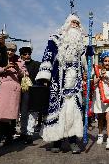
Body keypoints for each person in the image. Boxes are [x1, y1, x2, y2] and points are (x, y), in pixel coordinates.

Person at [35, 13, 88, 154]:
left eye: (78, 23)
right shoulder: (56, 39)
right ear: (67, 23)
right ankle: (56, 141)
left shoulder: (80, 43)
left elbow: (85, 65)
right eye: (73, 22)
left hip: (75, 85)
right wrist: (45, 77)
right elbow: (48, 56)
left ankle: (72, 142)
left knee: (73, 112)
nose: (75, 25)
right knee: (57, 112)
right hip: (58, 84)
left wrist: (89, 54)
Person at [0, 42, 28, 149]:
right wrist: (5, 68)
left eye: (12, 50)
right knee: (2, 115)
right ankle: (9, 137)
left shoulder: (20, 61)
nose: (10, 52)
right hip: (0, 88)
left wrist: (18, 69)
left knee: (6, 116)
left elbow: (25, 74)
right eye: (8, 50)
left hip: (13, 90)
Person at [92, 51, 109, 150]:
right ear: (102, 61)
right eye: (105, 61)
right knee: (100, 118)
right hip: (99, 97)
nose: (107, 63)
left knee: (108, 116)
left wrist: (107, 79)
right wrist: (99, 77)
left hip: (108, 97)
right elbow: (93, 83)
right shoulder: (97, 71)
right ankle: (100, 134)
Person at [19, 46, 41, 144]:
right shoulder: (18, 65)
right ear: (21, 55)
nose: (27, 55)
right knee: (23, 113)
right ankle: (23, 133)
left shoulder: (36, 64)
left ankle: (29, 134)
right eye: (25, 54)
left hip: (33, 92)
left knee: (32, 113)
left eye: (29, 54)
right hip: (22, 93)